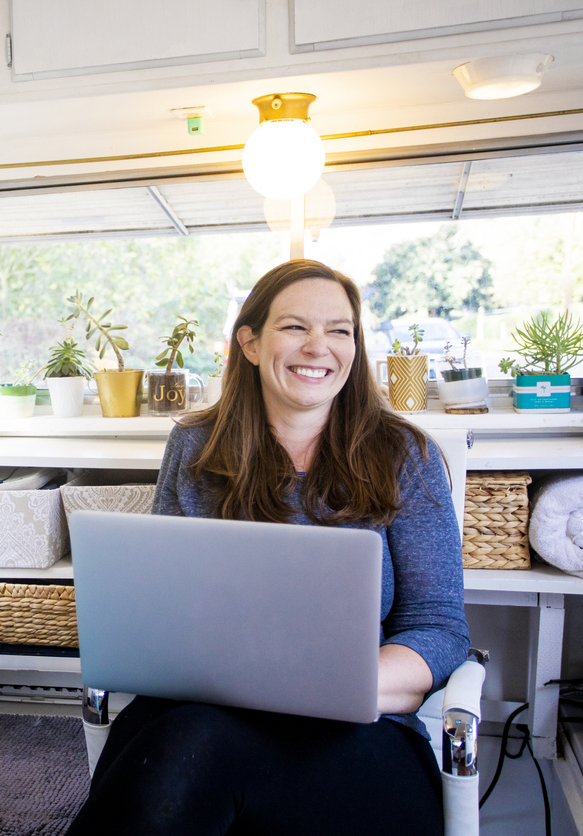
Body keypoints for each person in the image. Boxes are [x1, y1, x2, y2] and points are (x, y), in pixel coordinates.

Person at [66, 260, 470, 836]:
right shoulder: (194, 446)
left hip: (357, 733)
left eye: (339, 330)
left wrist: (327, 685)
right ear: (250, 344)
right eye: (295, 327)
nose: (319, 347)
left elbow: (440, 629)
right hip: (200, 712)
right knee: (189, 744)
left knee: (189, 752)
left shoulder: (405, 456)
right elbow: (164, 603)